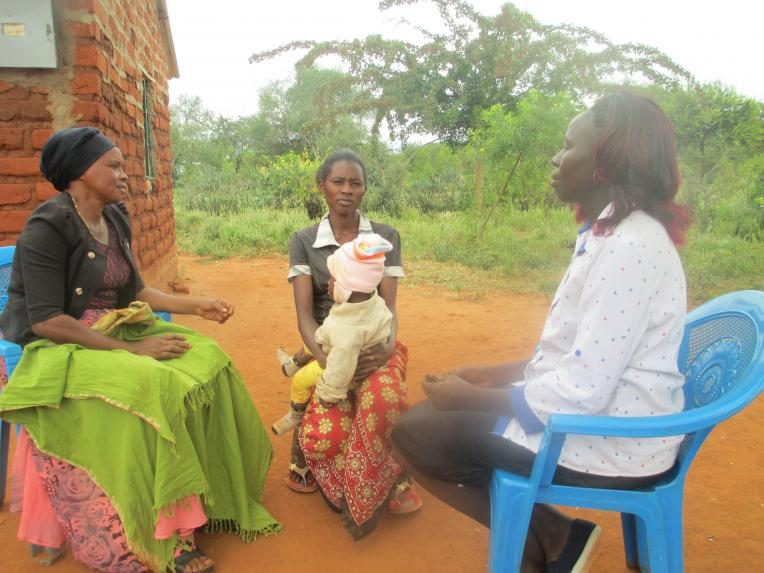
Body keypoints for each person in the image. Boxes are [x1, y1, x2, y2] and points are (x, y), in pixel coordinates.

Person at [392, 91, 691, 573]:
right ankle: (554, 536)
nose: (556, 157)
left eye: (569, 146)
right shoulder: (613, 234)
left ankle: (544, 545)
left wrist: (470, 398)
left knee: (415, 433)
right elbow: (582, 353)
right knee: (433, 425)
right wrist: (496, 374)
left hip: (608, 443)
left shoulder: (629, 248)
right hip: (603, 419)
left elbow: (583, 389)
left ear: (603, 164)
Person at [0, 127, 280, 573]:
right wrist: (132, 352)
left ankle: (216, 493)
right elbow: (47, 320)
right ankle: (171, 534)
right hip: (62, 344)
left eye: (124, 165)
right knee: (155, 384)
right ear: (78, 172)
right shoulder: (47, 227)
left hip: (117, 330)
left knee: (209, 358)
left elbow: (134, 290)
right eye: (112, 165)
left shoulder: (115, 219)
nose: (125, 174)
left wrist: (196, 305)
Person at [285, 149, 422, 539]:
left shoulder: (384, 237)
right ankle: (355, 476)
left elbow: (390, 308)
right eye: (338, 182)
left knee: (383, 402)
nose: (347, 190)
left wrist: (387, 347)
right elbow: (305, 316)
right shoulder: (304, 241)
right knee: (326, 429)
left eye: (355, 183)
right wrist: (328, 360)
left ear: (364, 189)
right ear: (322, 186)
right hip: (329, 345)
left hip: (375, 342)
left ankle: (385, 479)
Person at [272, 233, 394, 435]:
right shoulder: (372, 301)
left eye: (332, 279)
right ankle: (291, 364)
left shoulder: (346, 333)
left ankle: (295, 413)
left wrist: (328, 395)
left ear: (346, 288)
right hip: (333, 339)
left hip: (339, 357)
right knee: (312, 341)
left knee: (300, 381)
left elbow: (340, 369)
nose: (327, 283)